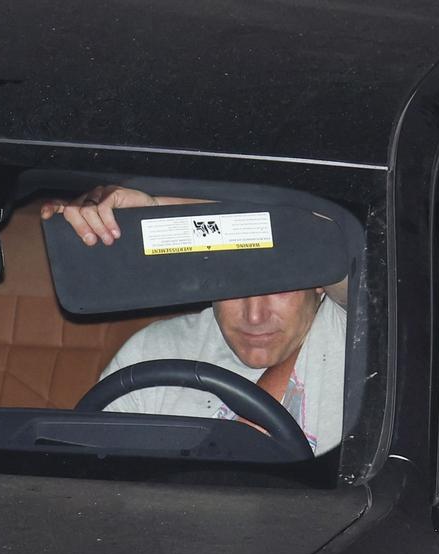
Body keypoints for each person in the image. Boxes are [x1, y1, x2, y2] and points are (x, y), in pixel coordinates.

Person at [41, 186, 346, 455]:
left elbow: (334, 239)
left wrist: (165, 207)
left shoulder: (353, 327)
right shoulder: (153, 352)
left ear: (318, 281)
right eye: (232, 285)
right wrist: (156, 214)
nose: (255, 315)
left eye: (279, 287)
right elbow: (94, 478)